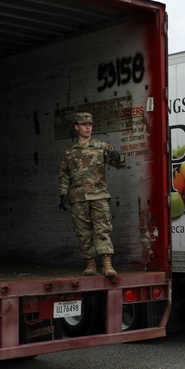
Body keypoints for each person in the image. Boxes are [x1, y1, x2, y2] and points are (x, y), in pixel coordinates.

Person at [58, 112, 125, 277]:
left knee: (103, 229)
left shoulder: (101, 147)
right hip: (78, 198)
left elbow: (118, 164)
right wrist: (63, 193)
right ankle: (90, 265)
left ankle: (107, 265)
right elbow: (64, 174)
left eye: (90, 124)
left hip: (98, 196)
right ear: (76, 127)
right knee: (83, 233)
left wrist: (119, 157)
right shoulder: (69, 152)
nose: (88, 127)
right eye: (84, 124)